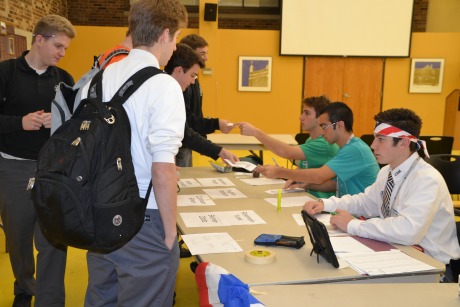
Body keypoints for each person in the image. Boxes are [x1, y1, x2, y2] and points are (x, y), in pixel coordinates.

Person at [81, 0, 188, 305]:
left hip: (99, 209)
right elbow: (163, 168)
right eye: (177, 38)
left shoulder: (102, 76)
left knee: (103, 296)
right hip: (144, 215)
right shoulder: (163, 85)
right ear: (165, 34)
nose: (175, 46)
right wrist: (170, 235)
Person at [303, 108, 460, 282]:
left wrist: (353, 225)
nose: (373, 145)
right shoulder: (387, 171)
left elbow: (408, 231)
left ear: (403, 143)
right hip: (399, 250)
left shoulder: (426, 180)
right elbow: (366, 202)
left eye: (381, 139)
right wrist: (327, 204)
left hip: (431, 266)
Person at [0, 15, 75, 307]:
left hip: (54, 170)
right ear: (39, 40)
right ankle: (24, 287)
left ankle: (50, 300)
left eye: (65, 48)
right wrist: (21, 122)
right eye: (58, 45)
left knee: (54, 239)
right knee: (18, 237)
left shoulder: (65, 79)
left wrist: (57, 122)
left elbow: (75, 124)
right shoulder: (6, 74)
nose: (62, 53)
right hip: (13, 167)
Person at [96, 34, 239, 166]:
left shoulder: (162, 85)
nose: (193, 81)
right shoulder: (163, 90)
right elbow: (185, 133)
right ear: (178, 71)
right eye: (192, 76)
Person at [256, 102, 379, 197]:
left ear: (340, 126)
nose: (322, 131)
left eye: (324, 126)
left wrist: (280, 172)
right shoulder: (345, 147)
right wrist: (306, 185)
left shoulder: (354, 149)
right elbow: (334, 184)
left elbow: (319, 176)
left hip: (363, 217)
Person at [238, 96, 339, 198]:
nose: (301, 117)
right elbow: (302, 167)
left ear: (320, 118)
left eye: (307, 113)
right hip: (304, 195)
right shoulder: (310, 140)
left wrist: (256, 132)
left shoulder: (324, 144)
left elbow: (286, 152)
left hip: (318, 200)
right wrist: (283, 174)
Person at [178, 34, 235, 166]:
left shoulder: (194, 80)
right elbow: (187, 121)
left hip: (190, 141)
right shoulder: (182, 85)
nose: (206, 58)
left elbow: (196, 113)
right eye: (202, 53)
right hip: (181, 144)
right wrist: (216, 124)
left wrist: (202, 140)